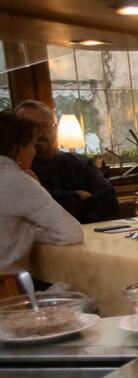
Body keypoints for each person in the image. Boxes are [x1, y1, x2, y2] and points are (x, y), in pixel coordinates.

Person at [0, 111, 83, 275]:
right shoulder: (16, 180)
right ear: (18, 148)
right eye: (32, 145)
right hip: (5, 291)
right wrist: (31, 235)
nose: (34, 152)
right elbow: (71, 233)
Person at [14, 100, 119, 224]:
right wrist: (77, 196)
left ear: (55, 128)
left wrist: (54, 198)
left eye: (44, 126)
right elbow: (31, 211)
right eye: (30, 127)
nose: (39, 132)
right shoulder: (14, 168)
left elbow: (110, 204)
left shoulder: (81, 163)